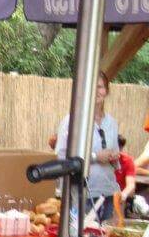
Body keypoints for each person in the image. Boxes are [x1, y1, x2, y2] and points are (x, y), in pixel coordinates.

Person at [55, 71, 119, 222]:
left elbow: (115, 157)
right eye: (92, 87)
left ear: (107, 91)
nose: (97, 91)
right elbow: (62, 157)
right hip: (81, 194)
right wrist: (96, 157)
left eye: (100, 87)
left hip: (107, 193)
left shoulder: (112, 123)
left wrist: (114, 158)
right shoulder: (72, 120)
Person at [115, 135, 136, 212]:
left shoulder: (127, 160)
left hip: (119, 196)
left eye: (120, 148)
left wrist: (124, 194)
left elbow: (130, 184)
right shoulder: (103, 160)